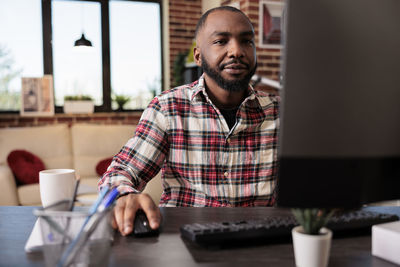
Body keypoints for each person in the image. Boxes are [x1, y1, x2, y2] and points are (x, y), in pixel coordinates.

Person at [99, 6, 279, 236]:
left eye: (246, 41)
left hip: (261, 242)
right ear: (198, 56)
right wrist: (125, 195)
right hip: (180, 241)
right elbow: (120, 172)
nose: (236, 50)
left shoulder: (278, 112)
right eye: (221, 41)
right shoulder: (168, 108)